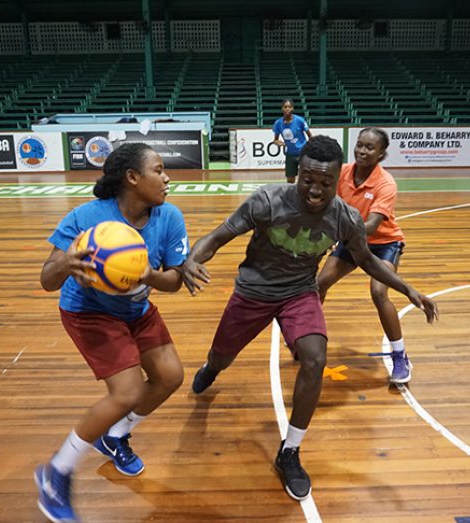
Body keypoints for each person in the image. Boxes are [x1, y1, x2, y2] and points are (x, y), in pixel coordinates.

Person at [179, 135, 438, 502]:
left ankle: (290, 451)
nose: (315, 190)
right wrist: (192, 260)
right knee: (222, 356)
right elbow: (218, 237)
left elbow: (366, 260)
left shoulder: (345, 217)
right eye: (308, 180)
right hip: (253, 291)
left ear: (337, 181)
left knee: (315, 359)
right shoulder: (267, 200)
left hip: (299, 293)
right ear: (297, 173)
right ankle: (213, 366)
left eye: (325, 183)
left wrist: (408, 289)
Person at [35, 143, 188, 523]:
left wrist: (148, 275)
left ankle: (114, 434)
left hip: (136, 309)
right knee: (128, 392)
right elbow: (46, 280)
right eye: (159, 170)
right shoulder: (87, 217)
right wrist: (67, 262)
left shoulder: (169, 217)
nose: (167, 177)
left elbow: (174, 282)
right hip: (89, 312)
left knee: (170, 377)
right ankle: (57, 472)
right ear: (133, 178)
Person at [317, 128, 413, 384]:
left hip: (384, 244)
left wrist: (338, 230)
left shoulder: (386, 183)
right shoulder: (343, 172)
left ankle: (400, 355)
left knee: (379, 292)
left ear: (381, 154)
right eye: (360, 145)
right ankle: (308, 338)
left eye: (370, 147)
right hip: (350, 242)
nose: (362, 150)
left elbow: (371, 225)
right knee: (318, 286)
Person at [273, 98, 312, 184]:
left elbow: (310, 136)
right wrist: (278, 142)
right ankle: (291, 197)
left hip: (302, 153)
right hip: (290, 154)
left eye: (289, 107)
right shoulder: (278, 123)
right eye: (285, 107)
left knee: (305, 178)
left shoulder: (300, 120)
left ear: (293, 108)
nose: (287, 109)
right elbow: (275, 140)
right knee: (290, 180)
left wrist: (309, 150)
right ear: (282, 108)